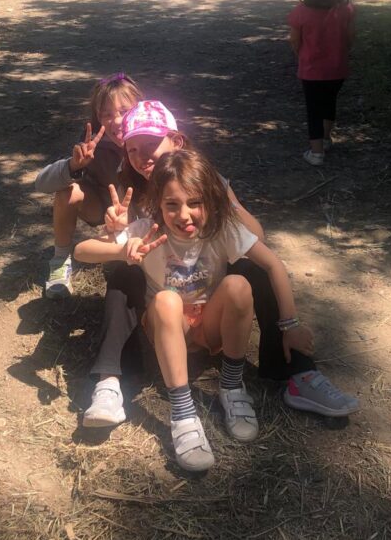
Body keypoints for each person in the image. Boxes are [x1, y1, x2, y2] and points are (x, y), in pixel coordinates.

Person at [80, 101, 358, 437]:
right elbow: (94, 248)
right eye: (133, 149)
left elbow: (256, 238)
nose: (142, 157)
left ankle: (297, 370)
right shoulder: (129, 187)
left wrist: (220, 202)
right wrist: (116, 234)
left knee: (250, 270)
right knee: (123, 274)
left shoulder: (205, 182)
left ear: (177, 142)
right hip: (159, 295)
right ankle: (111, 380)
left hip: (205, 288)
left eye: (152, 145)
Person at [76, 148, 322, 471]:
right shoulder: (147, 230)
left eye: (195, 203)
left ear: (211, 200)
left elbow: (273, 264)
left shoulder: (221, 229)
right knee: (167, 300)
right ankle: (183, 413)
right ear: (157, 204)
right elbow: (81, 251)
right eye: (172, 205)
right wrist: (122, 251)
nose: (184, 215)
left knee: (239, 285)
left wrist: (290, 325)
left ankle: (231, 387)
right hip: (170, 329)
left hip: (209, 330)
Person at [35, 73, 142, 296]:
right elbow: (41, 184)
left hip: (140, 212)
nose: (117, 121)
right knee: (68, 193)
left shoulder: (152, 141)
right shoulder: (94, 144)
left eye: (125, 111)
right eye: (107, 115)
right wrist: (73, 166)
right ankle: (60, 262)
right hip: (103, 206)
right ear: (98, 119)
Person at [288, 0, 355, 167]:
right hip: (337, 69)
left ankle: (316, 152)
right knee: (329, 103)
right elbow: (350, 38)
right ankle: (326, 139)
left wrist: (302, 55)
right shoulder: (346, 10)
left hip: (311, 70)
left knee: (313, 109)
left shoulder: (300, 12)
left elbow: (295, 41)